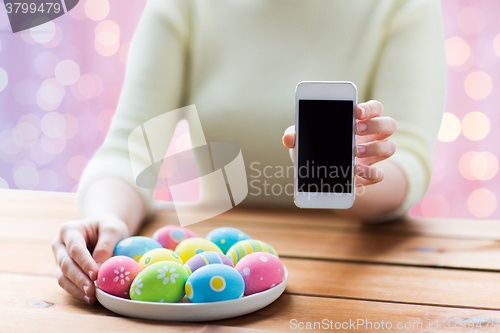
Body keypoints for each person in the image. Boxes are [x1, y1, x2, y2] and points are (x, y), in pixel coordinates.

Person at [51, 0, 447, 304]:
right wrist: (107, 219)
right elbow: (130, 148)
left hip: (359, 276)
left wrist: (350, 180)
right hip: (212, 280)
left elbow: (408, 159)